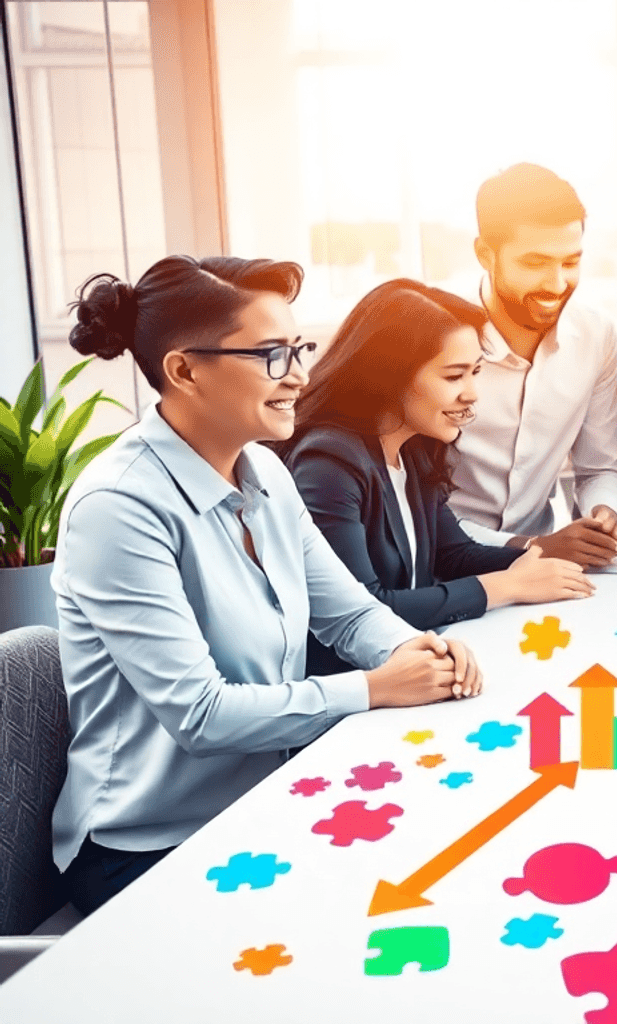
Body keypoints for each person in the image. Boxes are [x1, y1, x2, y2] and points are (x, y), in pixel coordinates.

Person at [50, 256, 480, 913]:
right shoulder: (118, 507)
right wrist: (373, 687)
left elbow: (349, 615)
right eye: (273, 355)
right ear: (185, 370)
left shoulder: (263, 473)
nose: (301, 375)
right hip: (147, 849)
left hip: (262, 805)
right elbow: (200, 715)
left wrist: (412, 649)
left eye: (299, 349)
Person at [281, 280, 594, 675]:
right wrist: (508, 586)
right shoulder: (328, 463)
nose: (472, 393)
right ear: (390, 375)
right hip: (360, 684)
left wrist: (550, 558)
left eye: (476, 372)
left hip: (417, 660)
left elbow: (453, 554)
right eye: (453, 376)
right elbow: (364, 610)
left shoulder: (412, 446)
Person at [448, 163, 617, 568]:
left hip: (542, 568)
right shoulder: (437, 338)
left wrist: (606, 514)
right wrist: (529, 546)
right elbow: (414, 507)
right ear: (485, 255)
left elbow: (599, 466)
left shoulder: (596, 336)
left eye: (570, 261)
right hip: (443, 561)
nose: (556, 283)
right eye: (535, 263)